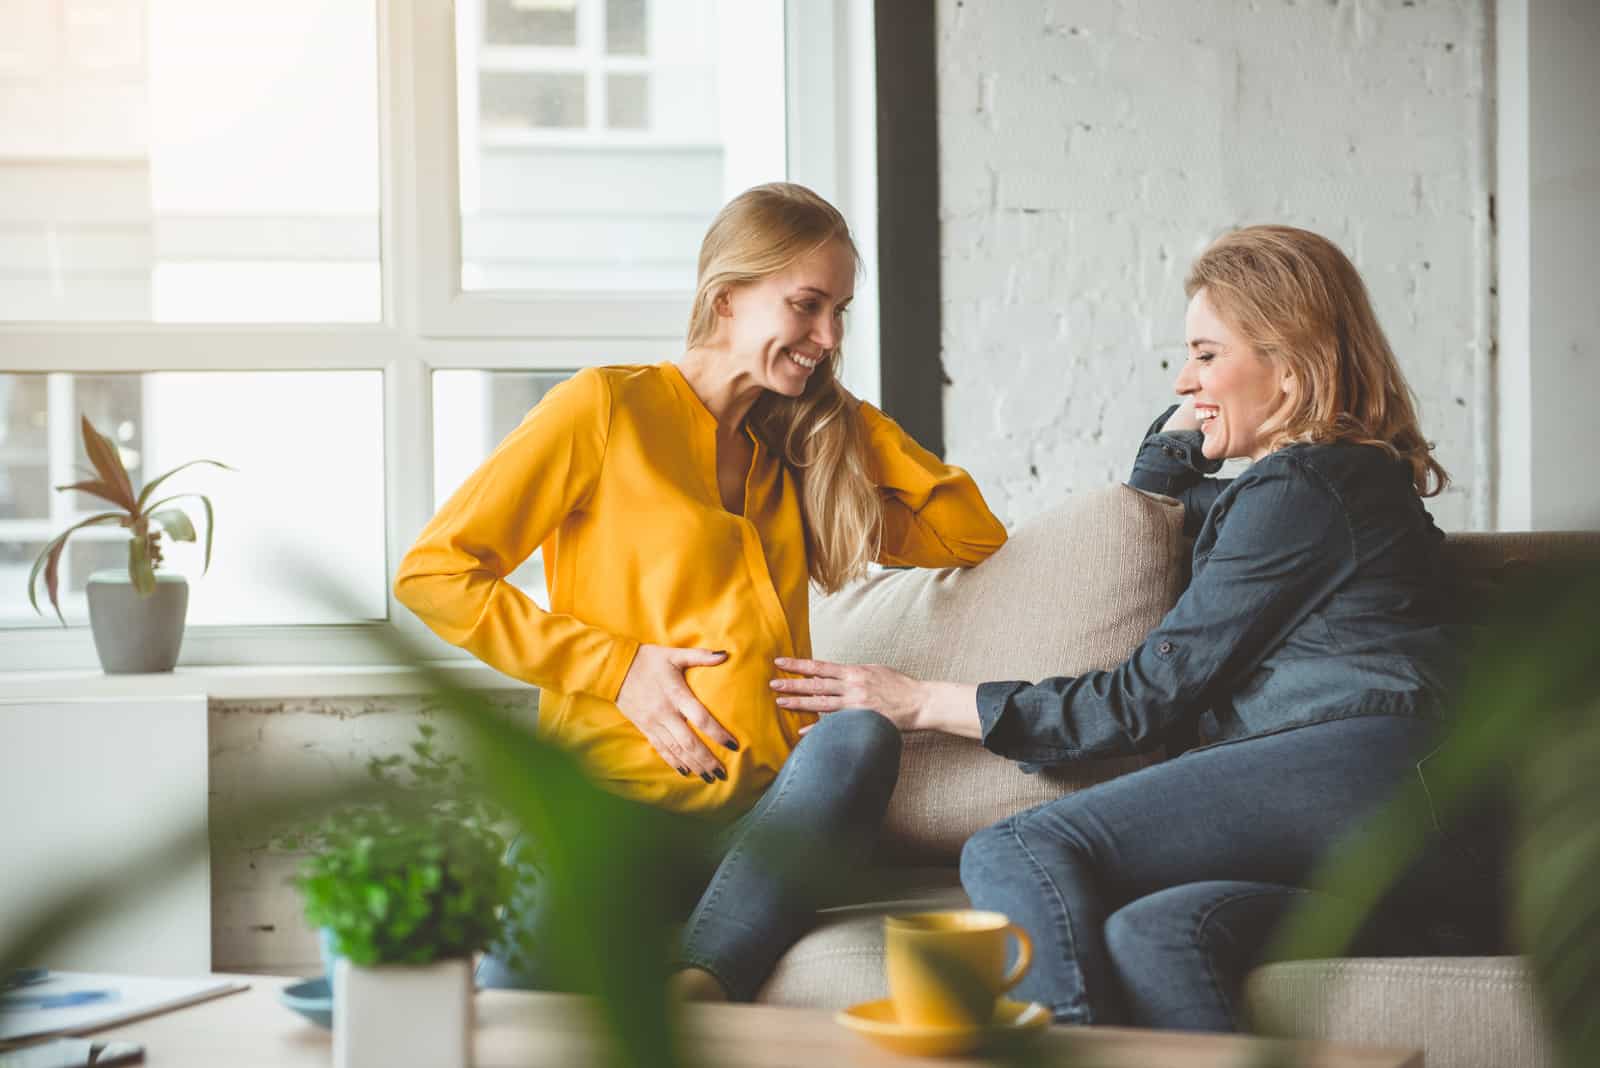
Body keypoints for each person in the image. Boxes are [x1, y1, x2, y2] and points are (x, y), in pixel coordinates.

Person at [770, 225, 1488, 1030]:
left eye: (1207, 354)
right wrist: (1189, 432)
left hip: (1367, 768)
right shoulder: (1311, 492)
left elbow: (1142, 702)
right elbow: (1160, 508)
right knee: (1161, 933)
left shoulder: (1307, 487)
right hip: (1404, 811)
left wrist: (918, 702)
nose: (1185, 380)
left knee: (1016, 848)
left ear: (1289, 363)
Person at [394, 182, 1007, 1002]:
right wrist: (617, 668)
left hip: (758, 828)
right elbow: (433, 574)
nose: (827, 336)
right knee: (510, 1019)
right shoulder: (606, 410)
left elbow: (970, 536)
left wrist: (849, 416)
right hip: (612, 813)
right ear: (726, 299)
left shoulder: (795, 450)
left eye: (840, 314)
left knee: (860, 738)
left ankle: (705, 983)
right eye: (806, 305)